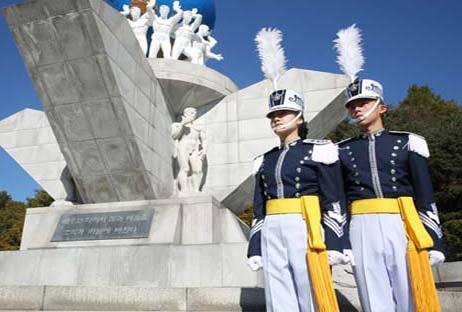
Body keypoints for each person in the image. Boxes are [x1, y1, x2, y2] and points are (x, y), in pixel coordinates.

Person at [333, 24, 445, 312]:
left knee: (410, 290)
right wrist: (341, 240)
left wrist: (434, 240)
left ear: (381, 106)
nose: (357, 108)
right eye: (352, 105)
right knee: (372, 293)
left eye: (364, 102)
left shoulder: (408, 142)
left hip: (402, 221)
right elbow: (340, 200)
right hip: (361, 225)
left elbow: (425, 194)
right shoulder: (342, 149)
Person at [247, 89, 349, 312]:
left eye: (284, 112)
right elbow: (258, 209)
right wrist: (254, 247)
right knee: (277, 292)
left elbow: (334, 200)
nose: (276, 117)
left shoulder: (319, 150)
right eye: (273, 114)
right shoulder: (265, 159)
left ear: (299, 117)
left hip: (305, 224)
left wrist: (336, 242)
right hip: (272, 228)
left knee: (311, 289)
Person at [171, 107, 207, 193]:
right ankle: (184, 190)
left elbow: (204, 140)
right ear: (185, 114)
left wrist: (204, 150)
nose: (193, 114)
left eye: (194, 113)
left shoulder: (198, 127)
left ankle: (196, 190)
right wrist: (182, 124)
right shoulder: (177, 125)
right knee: (185, 168)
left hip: (195, 147)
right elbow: (174, 136)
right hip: (183, 146)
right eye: (191, 113)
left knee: (197, 170)